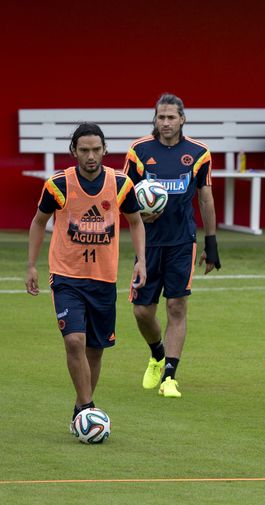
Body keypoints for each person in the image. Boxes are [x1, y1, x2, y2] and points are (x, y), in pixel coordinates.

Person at [25, 122, 147, 431]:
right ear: (74, 152)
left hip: (104, 279)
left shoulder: (121, 184)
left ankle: (80, 407)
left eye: (96, 149)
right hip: (66, 276)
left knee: (95, 347)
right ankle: (89, 409)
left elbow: (135, 222)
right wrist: (31, 265)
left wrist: (140, 261)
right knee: (75, 341)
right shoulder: (58, 185)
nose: (90, 156)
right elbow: (39, 222)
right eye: (84, 150)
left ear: (105, 150)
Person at [123, 93, 221, 399]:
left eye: (171, 117)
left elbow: (205, 197)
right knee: (142, 311)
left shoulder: (199, 153)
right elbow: (123, 195)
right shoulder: (139, 151)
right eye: (160, 117)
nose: (165, 122)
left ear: (182, 119)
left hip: (182, 241)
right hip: (148, 245)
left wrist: (212, 241)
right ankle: (157, 353)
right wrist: (139, 215)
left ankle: (170, 376)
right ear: (155, 119)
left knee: (176, 306)